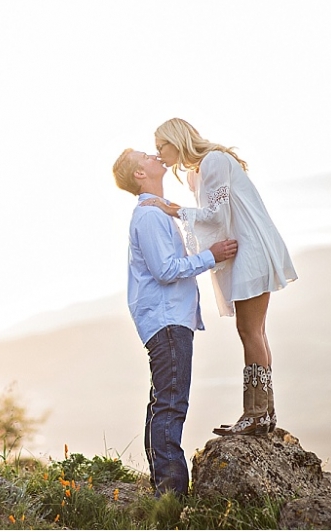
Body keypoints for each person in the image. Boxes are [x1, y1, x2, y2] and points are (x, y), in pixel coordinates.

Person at [145, 118, 298, 438]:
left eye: (162, 146)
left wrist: (174, 210)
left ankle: (256, 414)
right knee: (254, 330)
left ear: (177, 140)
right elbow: (214, 221)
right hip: (240, 250)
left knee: (250, 330)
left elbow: (218, 216)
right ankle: (264, 414)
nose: (159, 153)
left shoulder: (213, 160)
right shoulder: (193, 174)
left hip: (251, 249)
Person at [113, 148, 238, 497]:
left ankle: (164, 490)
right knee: (171, 405)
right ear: (140, 174)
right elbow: (166, 271)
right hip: (167, 322)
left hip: (168, 320)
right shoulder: (150, 217)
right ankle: (170, 495)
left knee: (164, 403)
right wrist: (210, 257)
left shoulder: (157, 212)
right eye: (145, 155)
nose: (155, 155)